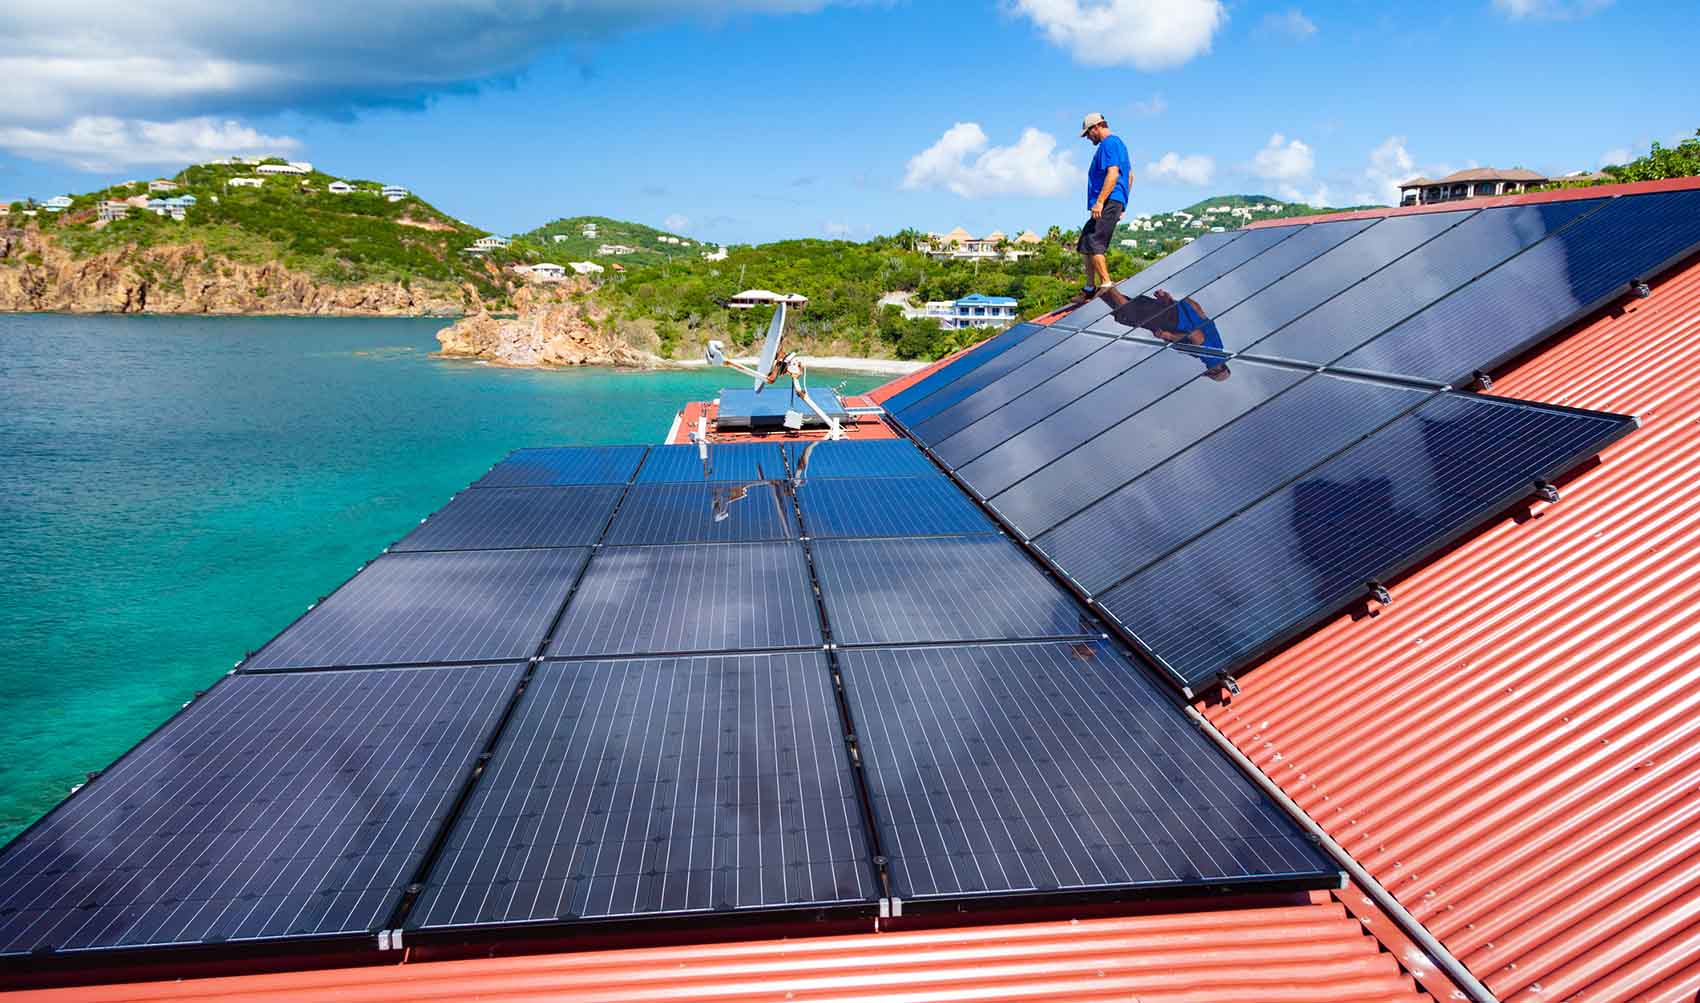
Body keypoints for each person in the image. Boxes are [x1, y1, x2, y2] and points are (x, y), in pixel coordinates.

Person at [1100, 287, 1232, 381]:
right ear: (1215, 370)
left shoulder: (1217, 343)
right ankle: (1105, 285)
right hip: (1171, 322)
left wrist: (1172, 302)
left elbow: (1197, 309)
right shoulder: (1212, 358)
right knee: (1130, 313)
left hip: (1172, 311)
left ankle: (1094, 292)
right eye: (1209, 373)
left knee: (1127, 310)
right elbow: (1196, 335)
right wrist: (1168, 336)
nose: (1207, 371)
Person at [1072, 112, 1130, 304]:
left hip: (1107, 201)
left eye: (1088, 134)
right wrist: (1123, 204)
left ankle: (1106, 285)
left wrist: (1100, 201)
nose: (1088, 138)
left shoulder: (1109, 144)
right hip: (1114, 200)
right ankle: (1089, 288)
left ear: (1096, 127)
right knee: (1085, 242)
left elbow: (1113, 174)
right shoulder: (1118, 145)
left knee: (1095, 243)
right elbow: (1129, 177)